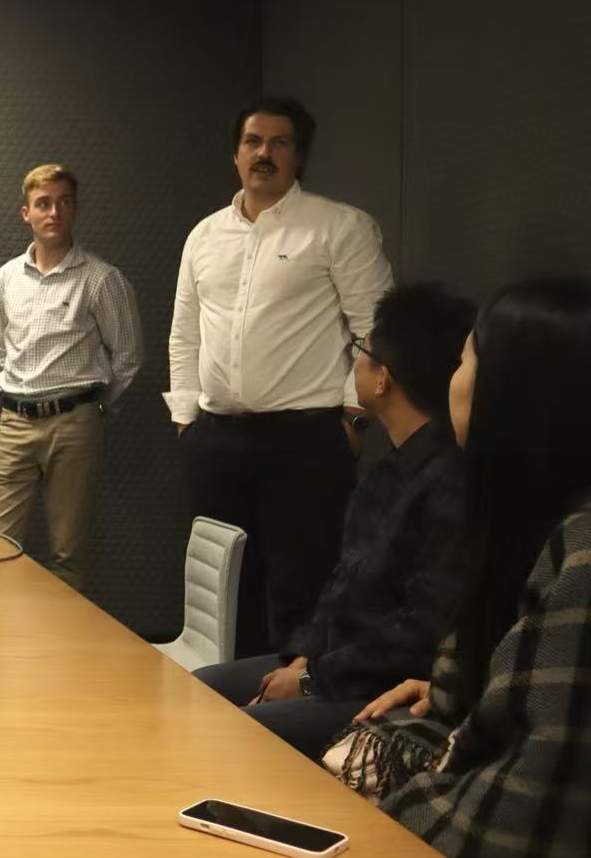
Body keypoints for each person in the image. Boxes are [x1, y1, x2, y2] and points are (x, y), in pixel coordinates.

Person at [341, 277, 591, 858]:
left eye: (466, 360)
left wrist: (374, 821)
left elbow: (527, 823)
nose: (453, 378)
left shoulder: (578, 556)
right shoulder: (525, 520)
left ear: (515, 393)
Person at [192, 282, 473, 758]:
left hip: (380, 685)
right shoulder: (390, 468)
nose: (353, 359)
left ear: (384, 380)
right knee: (197, 690)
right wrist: (305, 659)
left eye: (362, 350)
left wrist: (310, 678)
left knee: (232, 733)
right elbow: (343, 588)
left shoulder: (449, 480)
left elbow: (421, 630)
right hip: (336, 662)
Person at [167, 98, 395, 656]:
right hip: (215, 440)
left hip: (307, 441)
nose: (263, 153)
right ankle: (223, 699)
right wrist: (186, 422)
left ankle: (295, 701)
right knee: (223, 598)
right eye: (253, 141)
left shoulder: (339, 227)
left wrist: (354, 420)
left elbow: (378, 329)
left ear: (300, 155)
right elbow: (184, 334)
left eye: (279, 142)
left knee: (303, 591)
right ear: (236, 153)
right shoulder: (204, 236)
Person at [0, 163, 142, 591]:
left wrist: (92, 408)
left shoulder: (101, 279)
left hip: (74, 424)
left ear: (74, 210)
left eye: (64, 203)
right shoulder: (6, 278)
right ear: (26, 213)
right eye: (43, 204)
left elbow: (128, 357)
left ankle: (64, 634)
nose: (54, 212)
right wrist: (20, 392)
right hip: (14, 423)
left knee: (68, 551)